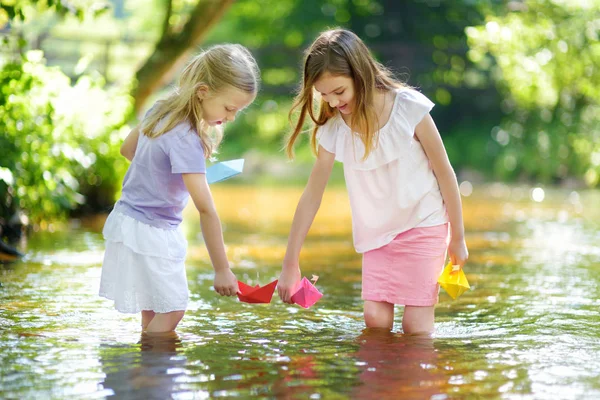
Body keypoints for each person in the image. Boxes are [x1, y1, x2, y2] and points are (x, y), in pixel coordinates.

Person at [277, 29, 468, 334]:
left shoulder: (408, 107)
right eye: (324, 95)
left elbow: (445, 172)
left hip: (423, 221)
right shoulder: (335, 127)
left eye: (339, 91)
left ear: (360, 74)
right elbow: (312, 195)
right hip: (377, 234)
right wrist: (290, 262)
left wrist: (458, 237)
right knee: (375, 322)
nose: (332, 101)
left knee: (415, 328)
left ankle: (415, 382)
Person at [99, 44, 259, 333]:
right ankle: (149, 372)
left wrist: (171, 174)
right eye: (229, 108)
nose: (231, 117)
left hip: (127, 221)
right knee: (173, 309)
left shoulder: (161, 108)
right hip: (154, 232)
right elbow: (206, 209)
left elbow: (127, 149)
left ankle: (148, 372)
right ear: (203, 92)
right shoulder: (187, 138)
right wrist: (222, 269)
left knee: (153, 309)